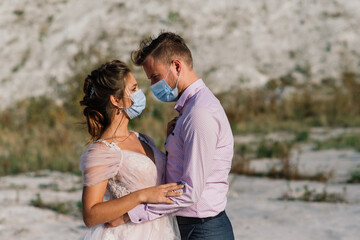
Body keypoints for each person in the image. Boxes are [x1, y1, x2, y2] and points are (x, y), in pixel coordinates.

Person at [126, 32, 235, 239]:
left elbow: (191, 191)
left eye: (155, 77)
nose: (153, 86)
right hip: (191, 226)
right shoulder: (189, 111)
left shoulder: (199, 113)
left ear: (177, 66)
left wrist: (134, 214)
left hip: (202, 229)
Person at [77, 60, 182, 239]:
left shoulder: (142, 138)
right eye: (133, 89)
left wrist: (170, 141)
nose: (140, 94)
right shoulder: (102, 152)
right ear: (116, 100)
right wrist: (141, 196)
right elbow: (90, 215)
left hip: (161, 229)